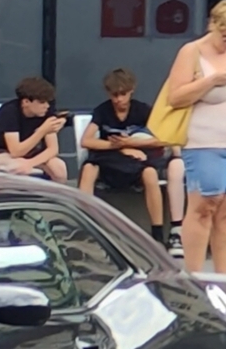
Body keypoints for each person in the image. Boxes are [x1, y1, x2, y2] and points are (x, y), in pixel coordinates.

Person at [163, 0, 226, 274]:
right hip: (207, 141)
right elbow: (175, 96)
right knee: (205, 205)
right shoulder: (192, 51)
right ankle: (195, 275)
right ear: (212, 27)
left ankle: (224, 278)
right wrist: (211, 81)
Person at [76, 67, 184, 246]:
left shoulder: (142, 110)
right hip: (109, 160)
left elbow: (162, 139)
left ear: (131, 90)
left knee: (150, 174)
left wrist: (130, 144)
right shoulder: (102, 111)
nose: (119, 100)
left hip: (136, 160)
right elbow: (86, 141)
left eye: (123, 94)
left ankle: (157, 232)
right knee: (88, 168)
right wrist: (118, 147)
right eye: (114, 95)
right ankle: (83, 225)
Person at [0, 76, 70, 182]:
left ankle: (55, 197)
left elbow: (53, 149)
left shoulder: (46, 113)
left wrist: (30, 163)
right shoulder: (9, 112)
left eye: (48, 102)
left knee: (59, 167)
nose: (47, 106)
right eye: (42, 102)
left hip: (29, 152)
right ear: (26, 102)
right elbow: (16, 151)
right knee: (17, 167)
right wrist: (42, 131)